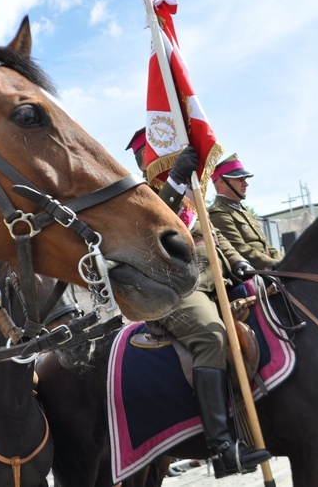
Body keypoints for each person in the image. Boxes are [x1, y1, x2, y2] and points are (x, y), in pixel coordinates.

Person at [126, 129, 271, 478]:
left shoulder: (192, 193)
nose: (173, 154)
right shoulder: (138, 192)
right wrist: (175, 180)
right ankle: (222, 447)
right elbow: (154, 222)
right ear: (149, 156)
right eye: (163, 150)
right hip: (179, 288)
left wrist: (238, 262)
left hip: (218, 282)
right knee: (212, 337)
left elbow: (214, 236)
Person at [208, 154, 283, 270]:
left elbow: (267, 247)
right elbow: (240, 249)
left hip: (270, 270)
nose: (245, 183)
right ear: (222, 182)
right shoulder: (218, 213)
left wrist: (285, 263)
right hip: (253, 274)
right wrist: (275, 265)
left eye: (245, 179)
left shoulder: (244, 212)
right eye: (239, 179)